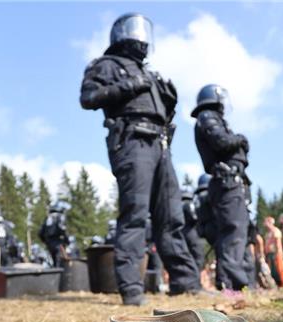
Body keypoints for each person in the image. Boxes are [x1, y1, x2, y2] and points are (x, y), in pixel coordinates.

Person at [80, 13, 201, 305]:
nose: (141, 36)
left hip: (160, 144)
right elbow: (88, 97)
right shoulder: (107, 65)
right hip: (132, 141)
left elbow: (165, 114)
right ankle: (131, 288)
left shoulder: (150, 73)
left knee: (172, 216)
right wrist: (129, 85)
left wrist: (168, 98)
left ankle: (185, 284)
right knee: (135, 213)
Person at [191, 84, 251, 291]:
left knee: (234, 231)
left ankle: (230, 281)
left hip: (228, 182)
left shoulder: (208, 118)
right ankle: (234, 283)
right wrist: (241, 139)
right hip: (227, 181)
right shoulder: (207, 116)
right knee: (233, 231)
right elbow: (221, 142)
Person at [39, 201, 70, 267]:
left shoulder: (47, 218)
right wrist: (67, 241)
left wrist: (45, 241)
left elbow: (40, 232)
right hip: (58, 243)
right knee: (59, 262)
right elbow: (62, 230)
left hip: (49, 244)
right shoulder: (60, 217)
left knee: (53, 261)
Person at [180, 185, 204, 271]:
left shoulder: (178, 206)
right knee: (198, 256)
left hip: (182, 233)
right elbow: (194, 217)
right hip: (191, 232)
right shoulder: (189, 204)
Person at [262, 216, 283, 288]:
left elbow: (278, 243)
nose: (264, 224)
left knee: (280, 269)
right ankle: (274, 285)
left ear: (270, 222)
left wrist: (279, 253)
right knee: (272, 271)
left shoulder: (276, 231)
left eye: (266, 222)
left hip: (276, 253)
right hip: (269, 254)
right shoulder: (267, 233)